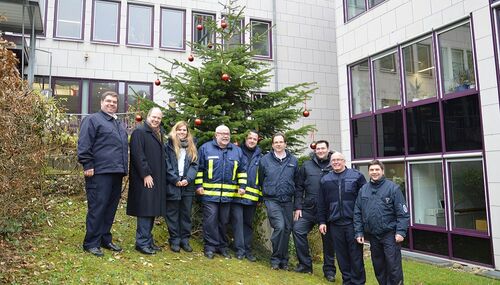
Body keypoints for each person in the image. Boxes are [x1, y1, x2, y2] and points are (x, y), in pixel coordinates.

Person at [77, 91, 128, 257]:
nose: (112, 104)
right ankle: (91, 242)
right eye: (108, 101)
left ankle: (104, 239)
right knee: (98, 207)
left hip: (116, 172)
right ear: (101, 102)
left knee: (110, 208)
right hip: (99, 172)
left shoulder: (118, 123)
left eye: (114, 102)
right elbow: (84, 144)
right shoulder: (92, 120)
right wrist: (87, 164)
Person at [195, 125, 247, 259]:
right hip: (209, 194)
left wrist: (242, 186)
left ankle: (222, 247)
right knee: (210, 220)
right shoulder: (205, 148)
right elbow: (199, 169)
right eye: (222, 133)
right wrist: (199, 185)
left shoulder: (237, 151)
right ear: (216, 135)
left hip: (228, 196)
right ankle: (210, 247)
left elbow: (242, 170)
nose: (225, 136)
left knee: (224, 221)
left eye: (227, 134)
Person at [354, 160, 409, 285]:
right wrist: (359, 232)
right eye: (372, 170)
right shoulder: (363, 189)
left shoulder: (393, 188)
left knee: (393, 266)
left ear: (382, 171)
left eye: (377, 170)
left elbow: (403, 213)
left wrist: (401, 232)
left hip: (390, 234)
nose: (374, 172)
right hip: (373, 236)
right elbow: (357, 212)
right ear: (368, 172)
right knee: (378, 266)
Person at [318, 152, 367, 285]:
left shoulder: (357, 176)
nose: (336, 162)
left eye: (339, 160)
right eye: (333, 160)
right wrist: (322, 221)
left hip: (353, 223)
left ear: (344, 161)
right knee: (341, 255)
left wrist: (363, 221)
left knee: (355, 255)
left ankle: (358, 281)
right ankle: (347, 280)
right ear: (331, 163)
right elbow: (321, 203)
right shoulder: (325, 179)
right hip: (335, 223)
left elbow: (365, 200)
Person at [293, 140, 337, 282]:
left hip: (329, 211)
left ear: (328, 149)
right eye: (318, 149)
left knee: (328, 241)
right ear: (315, 150)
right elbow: (299, 187)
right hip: (309, 209)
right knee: (298, 230)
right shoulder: (306, 166)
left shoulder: (335, 164)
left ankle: (329, 271)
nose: (320, 151)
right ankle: (305, 264)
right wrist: (298, 207)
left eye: (323, 148)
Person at [126, 107, 167, 255]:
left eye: (159, 118)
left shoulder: (158, 133)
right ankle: (141, 243)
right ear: (148, 117)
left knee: (151, 209)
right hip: (145, 178)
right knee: (145, 209)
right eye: (153, 117)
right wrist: (146, 174)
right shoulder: (139, 132)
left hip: (156, 177)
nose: (156, 120)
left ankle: (148, 240)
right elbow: (138, 155)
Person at [259, 133, 299, 270]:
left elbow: (297, 182)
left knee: (287, 230)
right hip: (272, 199)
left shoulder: (293, 160)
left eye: (281, 142)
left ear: (285, 144)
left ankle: (284, 260)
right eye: (276, 142)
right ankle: (275, 259)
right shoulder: (265, 160)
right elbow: (260, 179)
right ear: (272, 145)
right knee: (280, 226)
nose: (278, 144)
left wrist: (297, 205)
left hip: (287, 200)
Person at [165, 121, 199, 253]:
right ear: (175, 131)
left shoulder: (192, 146)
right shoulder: (168, 146)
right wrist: (175, 179)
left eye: (184, 130)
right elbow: (166, 164)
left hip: (187, 186)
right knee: (172, 213)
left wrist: (188, 179)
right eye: (179, 130)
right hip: (173, 184)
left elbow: (195, 165)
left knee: (186, 213)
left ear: (187, 132)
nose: (182, 132)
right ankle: (174, 239)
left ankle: (185, 240)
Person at [231, 130, 262, 261]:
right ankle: (240, 250)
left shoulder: (261, 157)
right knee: (238, 222)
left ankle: (248, 250)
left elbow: (262, 178)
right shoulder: (237, 152)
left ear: (257, 141)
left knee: (248, 224)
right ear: (246, 139)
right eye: (250, 138)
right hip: (237, 194)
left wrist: (260, 197)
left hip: (252, 197)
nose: (252, 141)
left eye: (254, 139)